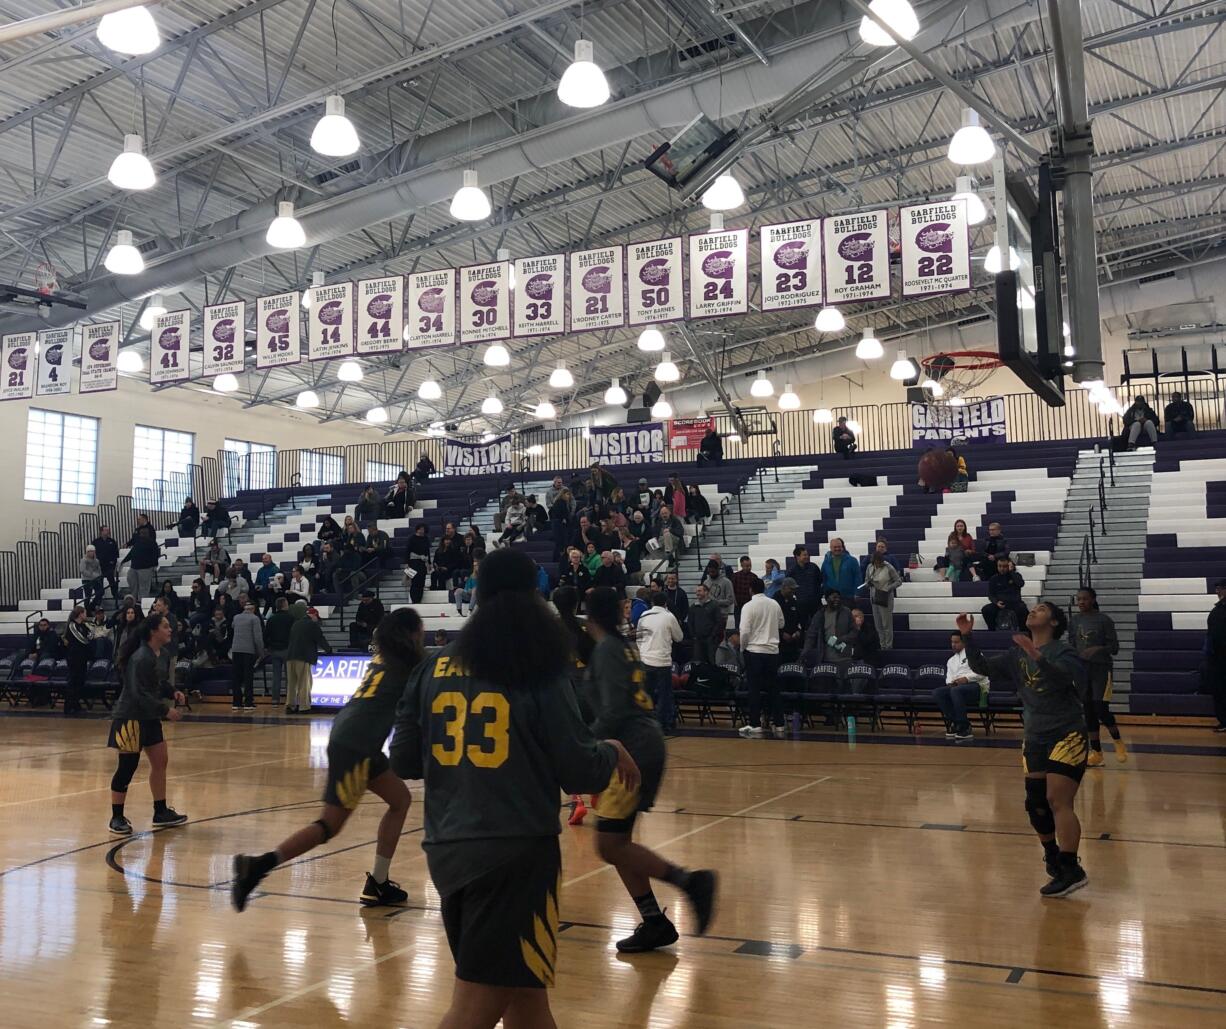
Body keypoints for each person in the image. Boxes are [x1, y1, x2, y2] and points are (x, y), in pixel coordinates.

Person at [388, 549, 640, 1028]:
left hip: (447, 850)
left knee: (525, 998)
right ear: (533, 598)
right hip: (516, 853)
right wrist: (610, 749)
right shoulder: (538, 668)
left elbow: (402, 759)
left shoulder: (431, 667)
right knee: (473, 1009)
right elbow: (579, 770)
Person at [233, 608, 425, 912]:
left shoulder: (384, 658)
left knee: (400, 799)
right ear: (412, 634)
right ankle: (258, 866)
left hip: (356, 737)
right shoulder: (410, 664)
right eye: (421, 631)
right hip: (357, 743)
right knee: (329, 826)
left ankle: (378, 882)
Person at [582, 587, 718, 951]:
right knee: (617, 844)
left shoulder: (609, 649)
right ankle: (654, 921)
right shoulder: (619, 645)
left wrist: (579, 748)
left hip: (632, 750)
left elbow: (612, 713)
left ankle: (690, 882)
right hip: (641, 744)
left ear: (587, 615)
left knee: (609, 845)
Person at [957, 603, 1090, 897]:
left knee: (1057, 799)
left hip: (1067, 733)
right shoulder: (1016, 654)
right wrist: (968, 637)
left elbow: (1064, 680)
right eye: (1033, 608)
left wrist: (1037, 656)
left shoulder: (1064, 652)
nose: (1033, 611)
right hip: (1035, 736)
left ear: (1054, 622)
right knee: (1035, 803)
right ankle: (1052, 855)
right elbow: (982, 667)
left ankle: (1071, 868)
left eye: (1041, 609)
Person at [106, 613, 188, 836]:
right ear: (153, 631)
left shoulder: (160, 654)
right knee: (127, 767)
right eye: (165, 626)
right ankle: (116, 817)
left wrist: (173, 691)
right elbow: (138, 693)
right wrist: (165, 710)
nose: (170, 629)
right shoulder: (140, 657)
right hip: (130, 718)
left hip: (148, 717)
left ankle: (160, 811)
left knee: (161, 761)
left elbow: (158, 682)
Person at [1071, 588, 1126, 764]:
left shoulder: (1104, 620)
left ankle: (1118, 742)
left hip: (1101, 669)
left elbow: (1114, 648)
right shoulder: (1074, 621)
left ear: (1093, 600)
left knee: (1100, 707)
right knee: (1088, 710)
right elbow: (1072, 643)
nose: (1081, 602)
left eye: (1085, 599)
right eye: (1078, 599)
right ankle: (1097, 752)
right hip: (1082, 670)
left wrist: (1097, 649)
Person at [737, 579, 786, 738]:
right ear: (764, 588)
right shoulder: (774, 604)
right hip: (772, 652)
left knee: (754, 689)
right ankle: (779, 723)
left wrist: (743, 647)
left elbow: (744, 631)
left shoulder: (748, 606)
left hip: (754, 651)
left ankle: (755, 723)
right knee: (774, 688)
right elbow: (781, 624)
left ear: (751, 589)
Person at [636, 592, 683, 733]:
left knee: (646, 693)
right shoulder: (669, 616)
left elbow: (639, 637)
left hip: (645, 659)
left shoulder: (643, 616)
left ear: (652, 603)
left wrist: (643, 651)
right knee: (664, 695)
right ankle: (663, 725)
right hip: (662, 661)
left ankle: (645, 723)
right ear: (665, 603)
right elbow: (679, 637)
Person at [933, 631, 989, 741]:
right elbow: (949, 678)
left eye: (956, 642)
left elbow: (982, 673)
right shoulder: (951, 660)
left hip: (978, 687)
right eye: (952, 642)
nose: (953, 644)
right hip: (958, 688)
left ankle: (964, 728)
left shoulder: (974, 654)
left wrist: (966, 679)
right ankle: (958, 723)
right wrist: (951, 683)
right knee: (938, 693)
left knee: (956, 691)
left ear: (964, 642)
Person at [286, 604, 331, 714]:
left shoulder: (296, 623)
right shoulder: (312, 625)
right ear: (314, 615)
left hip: (290, 656)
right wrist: (328, 650)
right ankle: (304, 707)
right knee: (304, 683)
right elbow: (320, 638)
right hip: (303, 657)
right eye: (317, 618)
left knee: (292, 683)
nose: (317, 620)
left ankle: (290, 706)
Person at [229, 599, 265, 711]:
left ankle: (236, 702)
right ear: (253, 609)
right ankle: (248, 702)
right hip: (248, 651)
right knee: (248, 677)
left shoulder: (236, 617)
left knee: (237, 677)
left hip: (236, 650)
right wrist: (261, 652)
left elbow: (232, 627)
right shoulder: (255, 619)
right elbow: (258, 638)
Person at [802, 589, 854, 665]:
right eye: (834, 597)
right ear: (826, 599)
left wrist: (841, 639)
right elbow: (811, 635)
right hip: (825, 658)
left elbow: (854, 631)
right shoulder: (820, 615)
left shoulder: (847, 612)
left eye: (838, 598)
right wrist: (804, 652)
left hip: (844, 658)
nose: (837, 600)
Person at [864, 549, 903, 649]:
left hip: (885, 597)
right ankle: (882, 645)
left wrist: (888, 588)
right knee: (878, 624)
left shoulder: (888, 567)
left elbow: (898, 581)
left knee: (886, 624)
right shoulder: (870, 567)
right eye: (875, 563)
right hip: (873, 597)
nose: (877, 564)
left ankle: (889, 646)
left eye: (878, 563)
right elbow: (866, 580)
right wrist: (868, 584)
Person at [982, 557, 1028, 631]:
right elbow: (991, 594)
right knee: (986, 609)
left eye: (1004, 566)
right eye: (999, 566)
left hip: (1015, 603)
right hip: (1000, 603)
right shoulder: (993, 579)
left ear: (1009, 566)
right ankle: (992, 630)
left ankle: (1023, 631)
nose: (1002, 568)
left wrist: (1011, 572)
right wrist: (996, 602)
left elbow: (1021, 584)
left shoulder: (1016, 575)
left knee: (1023, 609)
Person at [264, 597, 294, 707]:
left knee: (276, 676)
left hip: (275, 650)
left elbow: (266, 635)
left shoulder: (272, 619)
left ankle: (275, 700)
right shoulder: (290, 618)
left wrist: (268, 646)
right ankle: (289, 699)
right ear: (284, 605)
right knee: (289, 676)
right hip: (287, 649)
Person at [62, 605, 91, 716]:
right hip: (74, 657)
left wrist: (89, 637)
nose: (86, 615)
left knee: (80, 681)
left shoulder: (84, 625)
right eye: (85, 613)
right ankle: (68, 706)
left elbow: (91, 634)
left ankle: (76, 704)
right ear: (80, 614)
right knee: (73, 681)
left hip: (82, 657)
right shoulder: (72, 625)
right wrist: (88, 638)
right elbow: (83, 639)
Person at [1206, 579, 1226, 733]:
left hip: (1222, 656)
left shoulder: (1220, 609)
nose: (1217, 591)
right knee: (1219, 690)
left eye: (1220, 588)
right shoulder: (1218, 608)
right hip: (1217, 657)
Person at [788, 545, 824, 630]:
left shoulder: (814, 567)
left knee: (819, 625)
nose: (807, 557)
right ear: (797, 557)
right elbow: (789, 585)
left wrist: (819, 594)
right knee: (804, 627)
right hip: (801, 604)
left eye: (807, 554)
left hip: (815, 602)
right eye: (804, 555)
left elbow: (820, 581)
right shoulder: (792, 570)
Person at [121, 524, 160, 600]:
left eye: (144, 533)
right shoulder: (137, 542)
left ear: (147, 533)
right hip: (134, 567)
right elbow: (132, 553)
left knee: (144, 588)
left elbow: (155, 555)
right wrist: (124, 561)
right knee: (131, 582)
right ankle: (134, 601)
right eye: (141, 533)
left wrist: (154, 566)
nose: (142, 534)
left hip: (145, 568)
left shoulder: (152, 543)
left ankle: (143, 602)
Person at [687, 583, 723, 665]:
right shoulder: (693, 607)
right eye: (696, 591)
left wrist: (712, 635)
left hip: (711, 640)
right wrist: (694, 636)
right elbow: (690, 622)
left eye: (699, 591)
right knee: (698, 662)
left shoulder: (714, 605)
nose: (697, 593)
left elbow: (719, 622)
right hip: (698, 640)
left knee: (712, 661)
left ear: (706, 592)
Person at [775, 578, 804, 661]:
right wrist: (782, 634)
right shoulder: (774, 601)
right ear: (784, 587)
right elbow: (771, 622)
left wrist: (798, 631)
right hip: (779, 643)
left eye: (794, 589)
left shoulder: (794, 601)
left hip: (793, 641)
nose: (793, 591)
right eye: (791, 589)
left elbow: (800, 620)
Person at [91, 525, 121, 603]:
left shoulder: (112, 541)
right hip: (99, 566)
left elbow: (116, 553)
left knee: (111, 580)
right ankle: (99, 597)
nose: (108, 532)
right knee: (99, 582)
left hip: (109, 565)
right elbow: (93, 554)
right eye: (106, 530)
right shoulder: (95, 542)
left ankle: (115, 594)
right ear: (101, 531)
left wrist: (113, 562)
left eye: (108, 530)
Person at [730, 556, 763, 623]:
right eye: (747, 566)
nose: (749, 567)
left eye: (750, 565)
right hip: (738, 605)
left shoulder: (754, 577)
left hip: (750, 605)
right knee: (738, 624)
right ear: (741, 565)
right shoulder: (735, 576)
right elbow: (732, 590)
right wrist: (735, 602)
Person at [404, 523, 431, 605]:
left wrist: (429, 563)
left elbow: (427, 552)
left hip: (422, 562)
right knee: (415, 581)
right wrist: (407, 562)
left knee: (421, 581)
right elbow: (407, 551)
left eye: (423, 529)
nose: (421, 531)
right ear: (417, 529)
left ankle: (419, 600)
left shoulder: (426, 538)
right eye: (420, 529)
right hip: (413, 562)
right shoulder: (412, 538)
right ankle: (414, 600)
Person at [651, 504, 685, 568]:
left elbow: (681, 532)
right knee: (649, 544)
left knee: (667, 534)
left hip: (674, 539)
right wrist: (654, 538)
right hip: (662, 540)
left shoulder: (675, 520)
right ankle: (664, 558)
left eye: (665, 513)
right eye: (662, 513)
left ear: (669, 513)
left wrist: (670, 530)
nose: (664, 515)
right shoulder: (658, 522)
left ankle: (670, 558)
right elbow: (655, 533)